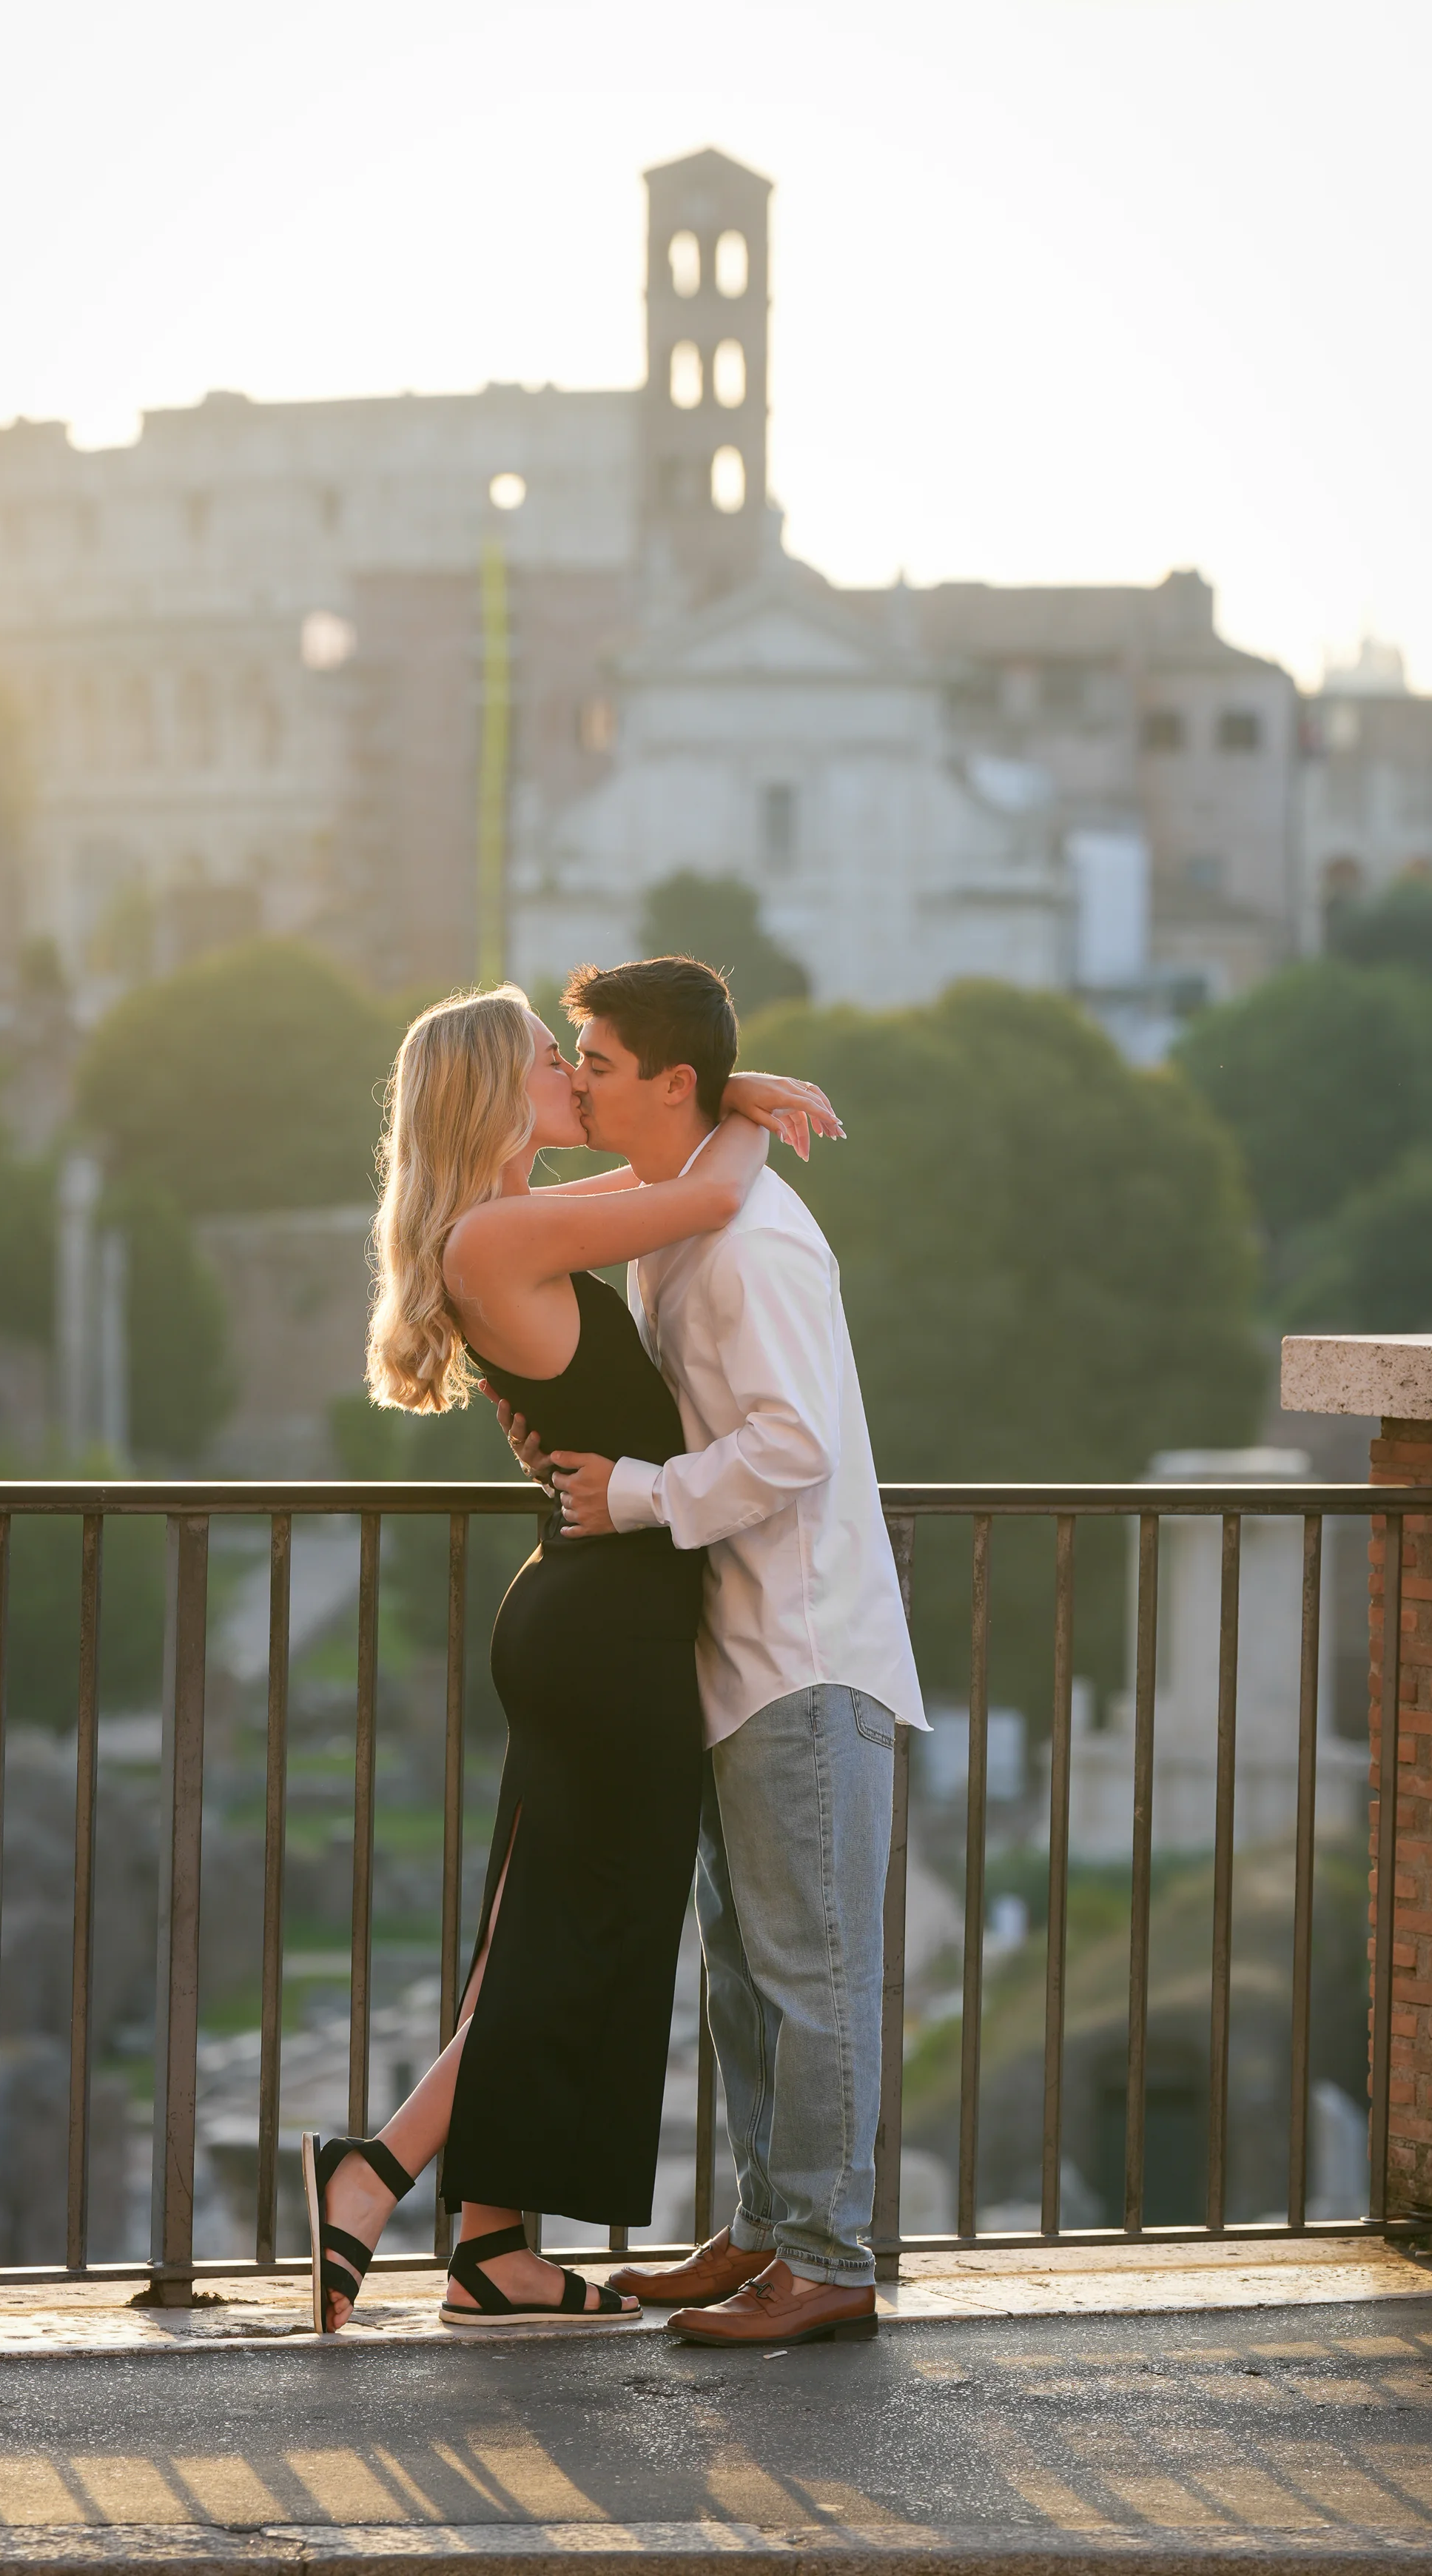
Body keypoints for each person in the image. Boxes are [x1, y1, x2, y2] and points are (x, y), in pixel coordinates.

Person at [303, 983, 839, 2333]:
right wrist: (737, 1099)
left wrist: (722, 1099)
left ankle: (492, 2251)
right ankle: (377, 2176)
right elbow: (703, 1196)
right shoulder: (506, 1231)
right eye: (557, 1061)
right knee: (571, 1949)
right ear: (498, 1087)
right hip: (605, 1626)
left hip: (595, 1615)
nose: (578, 1076)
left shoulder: (509, 1223)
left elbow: (656, 1175)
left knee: (539, 1945)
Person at [500, 956, 924, 2349]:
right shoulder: (683, 1215)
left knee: (809, 1970)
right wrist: (730, 1093)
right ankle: (767, 2227)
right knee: (746, 1965)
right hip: (742, 1651)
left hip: (802, 1655)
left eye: (598, 1063)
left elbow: (792, 1447)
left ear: (667, 1082)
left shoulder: (751, 1245)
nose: (575, 1081)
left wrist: (633, 1494)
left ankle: (827, 2260)